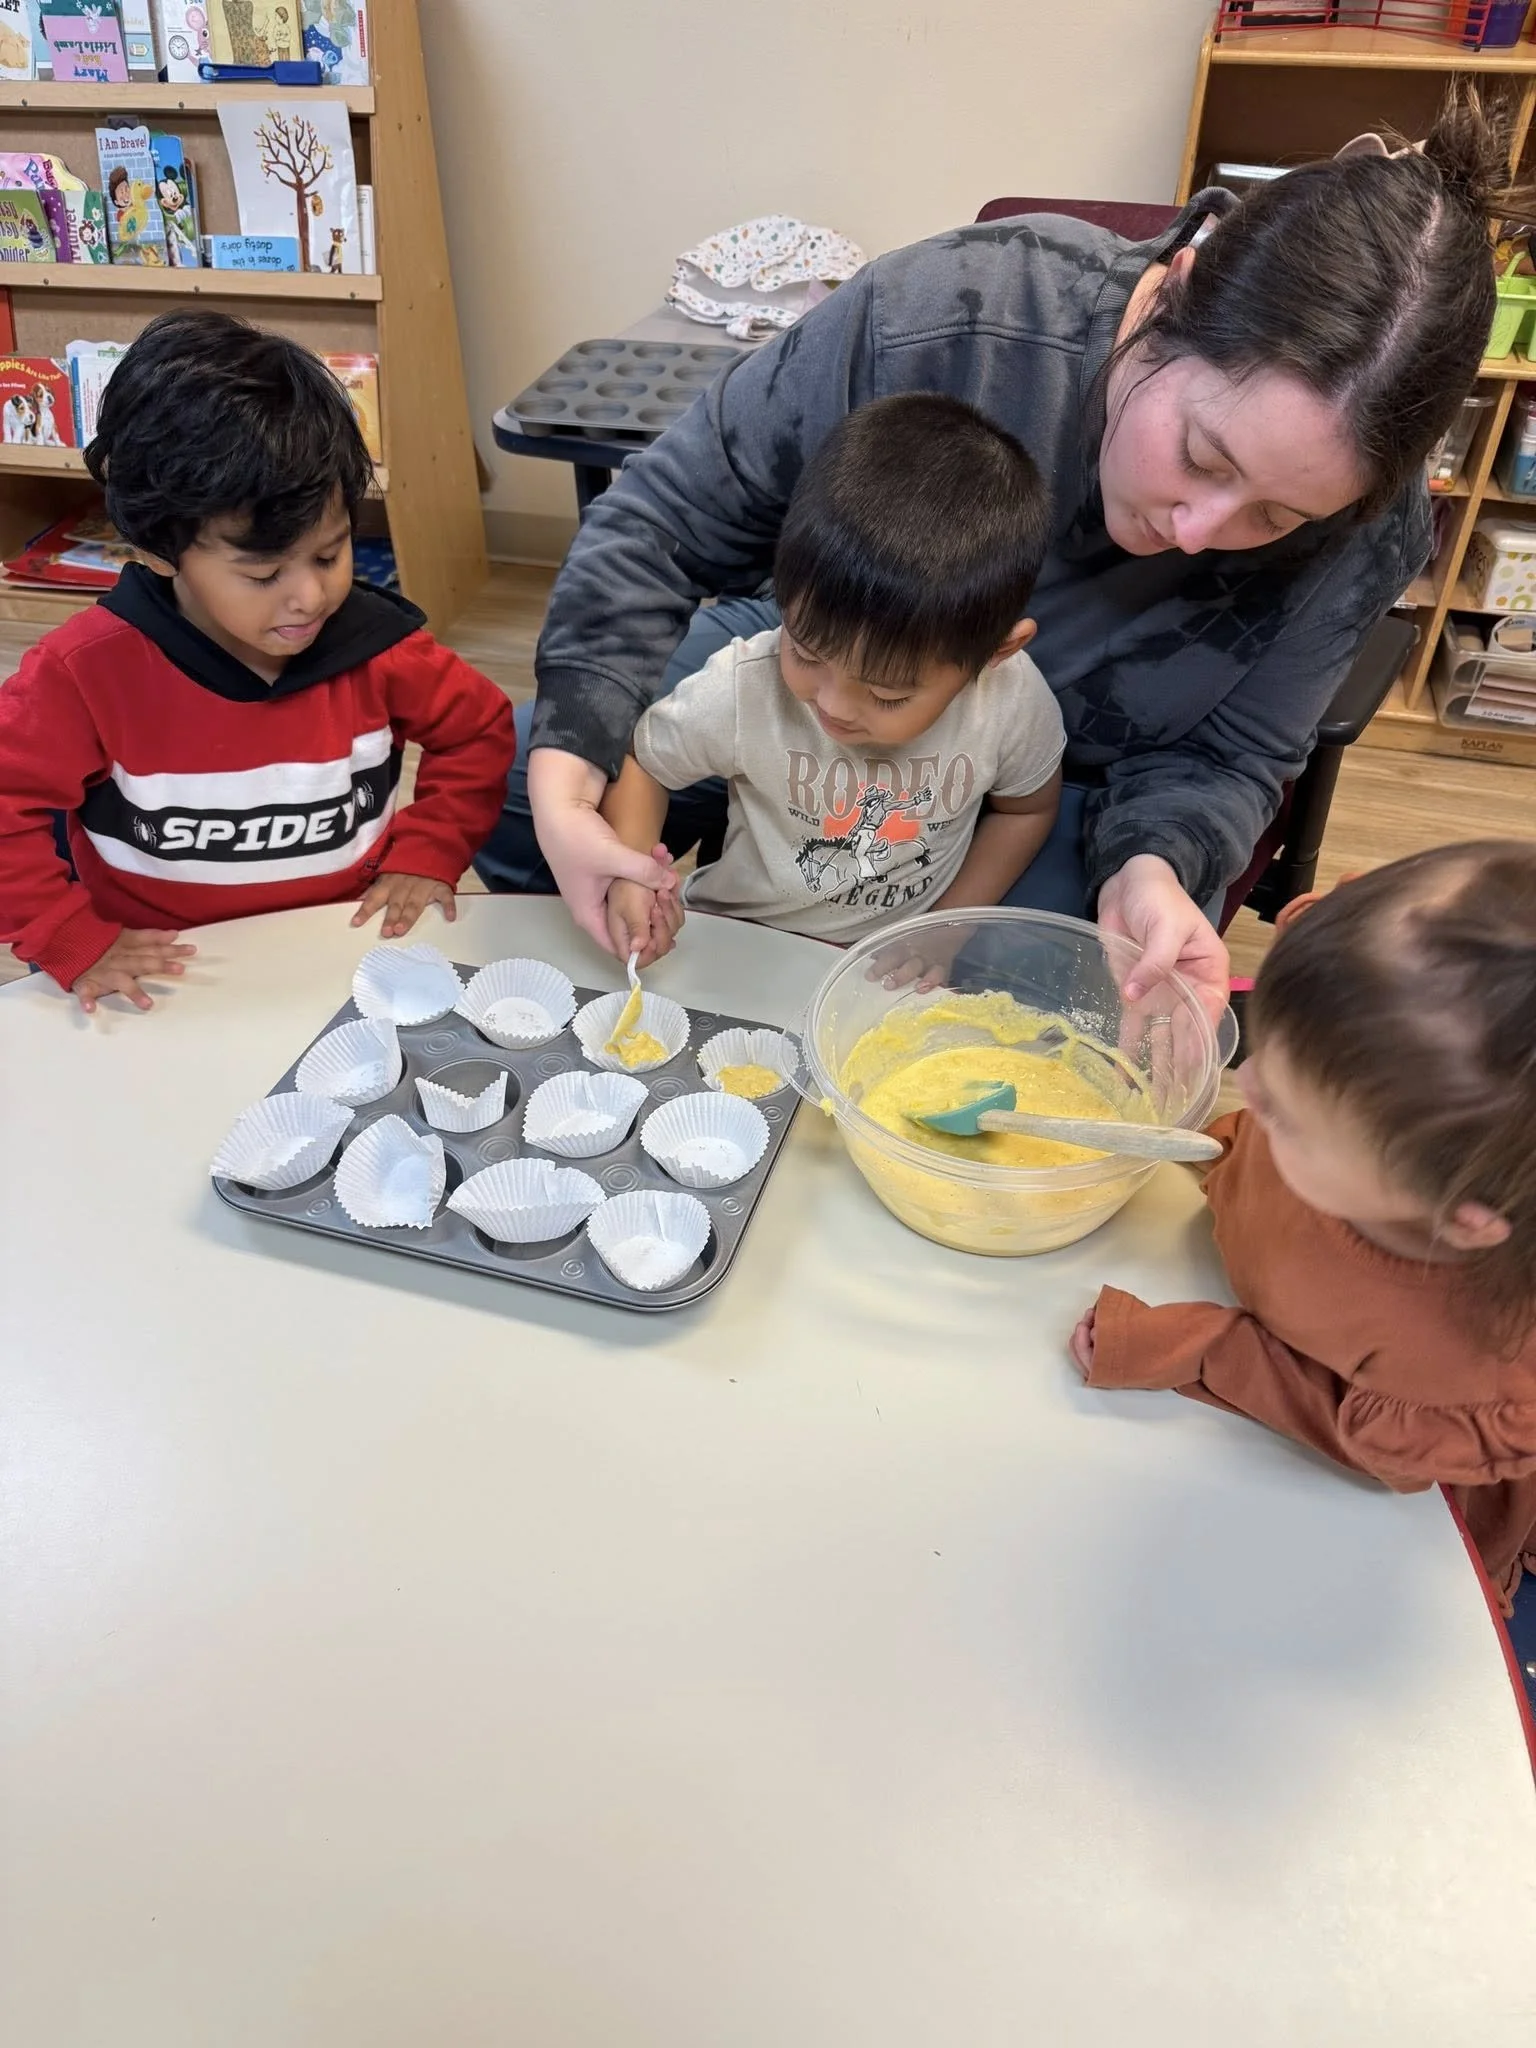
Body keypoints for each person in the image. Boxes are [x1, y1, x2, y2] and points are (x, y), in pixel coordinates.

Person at [478, 87, 1523, 1022]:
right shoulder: (953, 311)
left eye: (1277, 516)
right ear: (1172, 293)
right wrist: (575, 785)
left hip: (1071, 784)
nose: (1200, 533)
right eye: (1203, 456)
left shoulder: (1368, 532)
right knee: (528, 780)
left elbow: (1228, 759)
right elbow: (661, 524)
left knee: (1046, 1000)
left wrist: (1155, 867)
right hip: (833, 653)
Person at [0, 311, 517, 1014]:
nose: (310, 596)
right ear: (160, 550)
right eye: (264, 574)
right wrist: (67, 935)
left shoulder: (379, 648)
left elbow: (478, 730)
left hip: (338, 952)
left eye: (329, 555)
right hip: (168, 977)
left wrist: (429, 851)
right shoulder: (84, 673)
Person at [1069, 843, 1536, 1612]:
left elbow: (1352, 1431)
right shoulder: (1382, 1006)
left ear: (1457, 1219)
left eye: (1286, 1115)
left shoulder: (1457, 1371)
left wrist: (1197, 1349)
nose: (1246, 1085)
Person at [600, 394, 1064, 971]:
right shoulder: (745, 688)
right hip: (736, 939)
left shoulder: (1011, 702)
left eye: (888, 694)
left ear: (996, 653)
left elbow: (1025, 811)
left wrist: (947, 929)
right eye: (804, 650)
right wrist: (632, 875)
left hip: (878, 968)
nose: (834, 705)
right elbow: (644, 762)